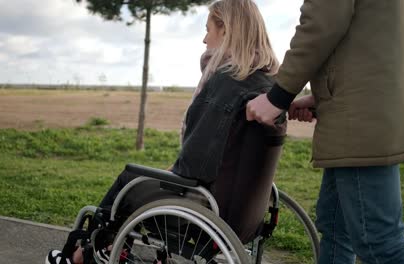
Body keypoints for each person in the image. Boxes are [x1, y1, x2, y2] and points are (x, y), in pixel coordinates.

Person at [46, 0, 285, 263]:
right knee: (143, 182)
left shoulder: (227, 82)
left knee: (130, 180)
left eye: (208, 30)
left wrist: (172, 172)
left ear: (226, 30)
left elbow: (195, 164)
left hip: (207, 209)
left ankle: (79, 255)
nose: (205, 40)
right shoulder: (267, 84)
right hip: (245, 214)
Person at [246, 0, 404, 263]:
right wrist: (322, 96)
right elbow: (376, 34)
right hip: (374, 105)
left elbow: (320, 24)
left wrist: (277, 96)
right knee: (336, 228)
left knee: (379, 243)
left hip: (362, 115)